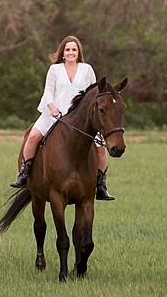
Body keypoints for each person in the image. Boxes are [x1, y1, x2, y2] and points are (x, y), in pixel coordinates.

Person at [9, 35, 116, 200]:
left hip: (80, 120)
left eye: (74, 49)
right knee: (33, 136)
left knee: (101, 148)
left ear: (79, 52)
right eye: (68, 49)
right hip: (55, 115)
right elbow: (48, 91)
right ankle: (24, 173)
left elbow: (94, 94)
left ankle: (101, 185)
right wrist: (51, 107)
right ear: (63, 52)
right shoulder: (55, 69)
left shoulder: (87, 69)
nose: (71, 52)